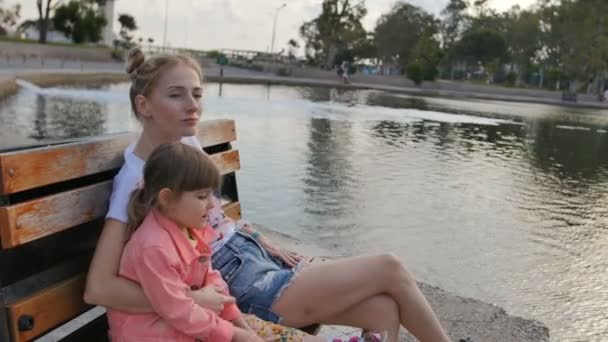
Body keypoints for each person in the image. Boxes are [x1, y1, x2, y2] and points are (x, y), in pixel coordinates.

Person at [84, 48, 450, 342]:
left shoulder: (186, 144)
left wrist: (262, 241)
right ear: (143, 105)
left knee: (383, 310)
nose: (193, 105)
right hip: (234, 282)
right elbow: (98, 288)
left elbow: (213, 219)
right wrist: (192, 300)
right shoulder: (135, 178)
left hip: (249, 259)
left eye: (197, 94)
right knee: (390, 267)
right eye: (176, 95)